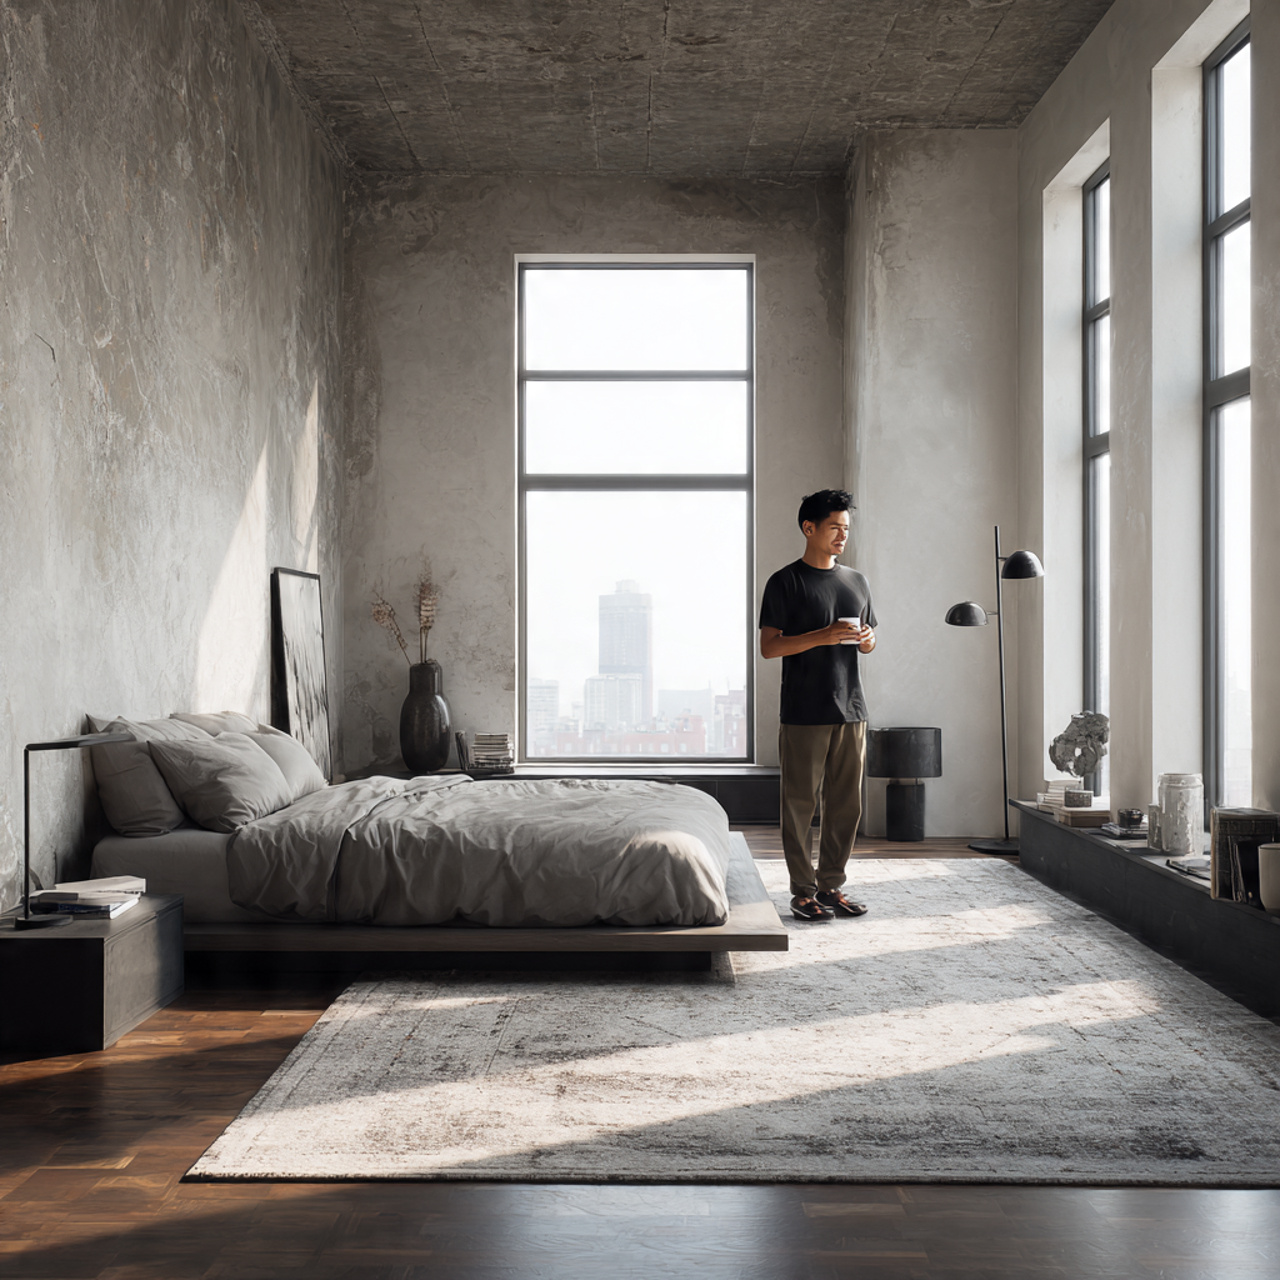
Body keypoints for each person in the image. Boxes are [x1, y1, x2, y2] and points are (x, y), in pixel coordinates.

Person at [758, 489, 876, 922]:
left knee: (847, 806)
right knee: (799, 806)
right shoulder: (785, 582)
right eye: (834, 528)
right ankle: (802, 892)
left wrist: (868, 639)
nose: (842, 536)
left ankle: (831, 887)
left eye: (846, 528)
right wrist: (821, 636)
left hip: (852, 709)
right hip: (804, 711)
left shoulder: (857, 582)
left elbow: (869, 640)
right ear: (809, 528)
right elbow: (770, 647)